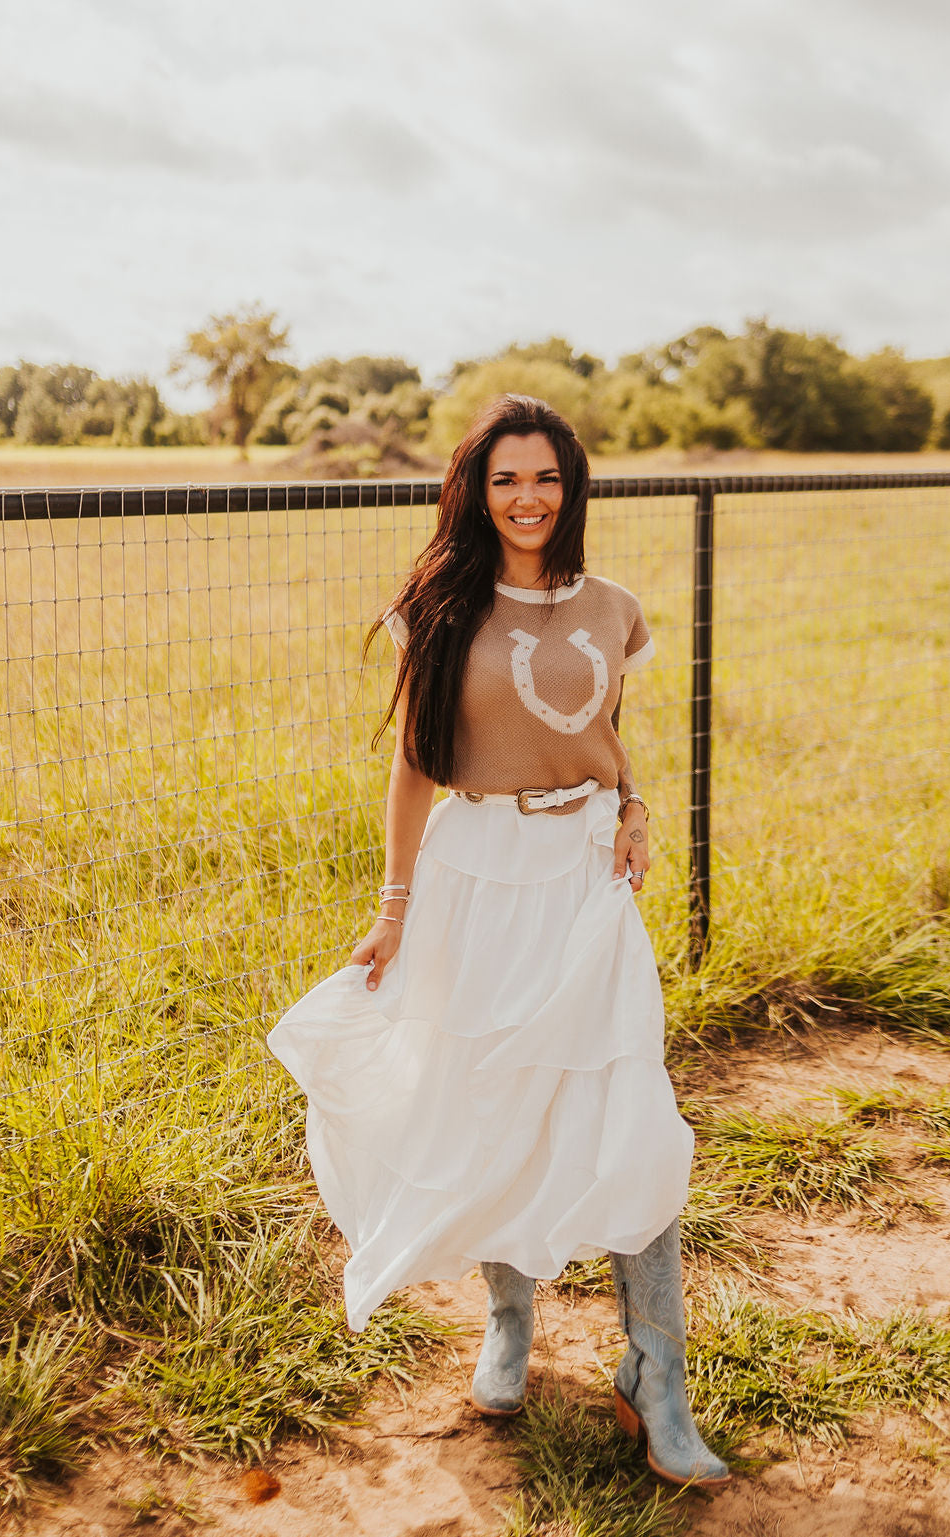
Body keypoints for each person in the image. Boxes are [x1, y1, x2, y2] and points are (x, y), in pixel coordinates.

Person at [267, 394, 729, 1487]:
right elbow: (414, 765)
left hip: (584, 881)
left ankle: (656, 1374)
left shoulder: (612, 607)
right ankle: (509, 1323)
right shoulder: (439, 605)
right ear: (477, 492)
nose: (528, 498)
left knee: (631, 1113)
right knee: (490, 1101)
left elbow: (602, 733)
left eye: (546, 477)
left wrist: (634, 804)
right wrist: (393, 909)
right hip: (477, 876)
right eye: (506, 478)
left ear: (573, 488)